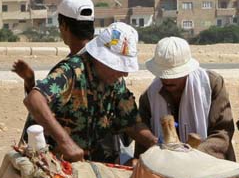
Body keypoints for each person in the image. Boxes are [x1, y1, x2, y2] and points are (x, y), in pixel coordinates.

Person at [23, 22, 156, 164]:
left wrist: (156, 144)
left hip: (93, 160)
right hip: (52, 159)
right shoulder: (71, 71)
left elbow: (132, 123)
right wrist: (66, 143)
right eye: (119, 66)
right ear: (101, 60)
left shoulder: (116, 82)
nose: (125, 73)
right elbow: (34, 99)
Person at [138, 36, 235, 161]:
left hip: (210, 163)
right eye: (163, 74)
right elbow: (143, 144)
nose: (167, 79)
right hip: (167, 166)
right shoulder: (149, 96)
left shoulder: (212, 84)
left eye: (174, 74)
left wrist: (192, 154)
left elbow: (222, 133)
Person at [15, 0, 95, 144]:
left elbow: (36, 102)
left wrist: (66, 145)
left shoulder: (69, 68)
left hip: (70, 159)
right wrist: (30, 82)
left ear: (64, 26)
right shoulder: (105, 62)